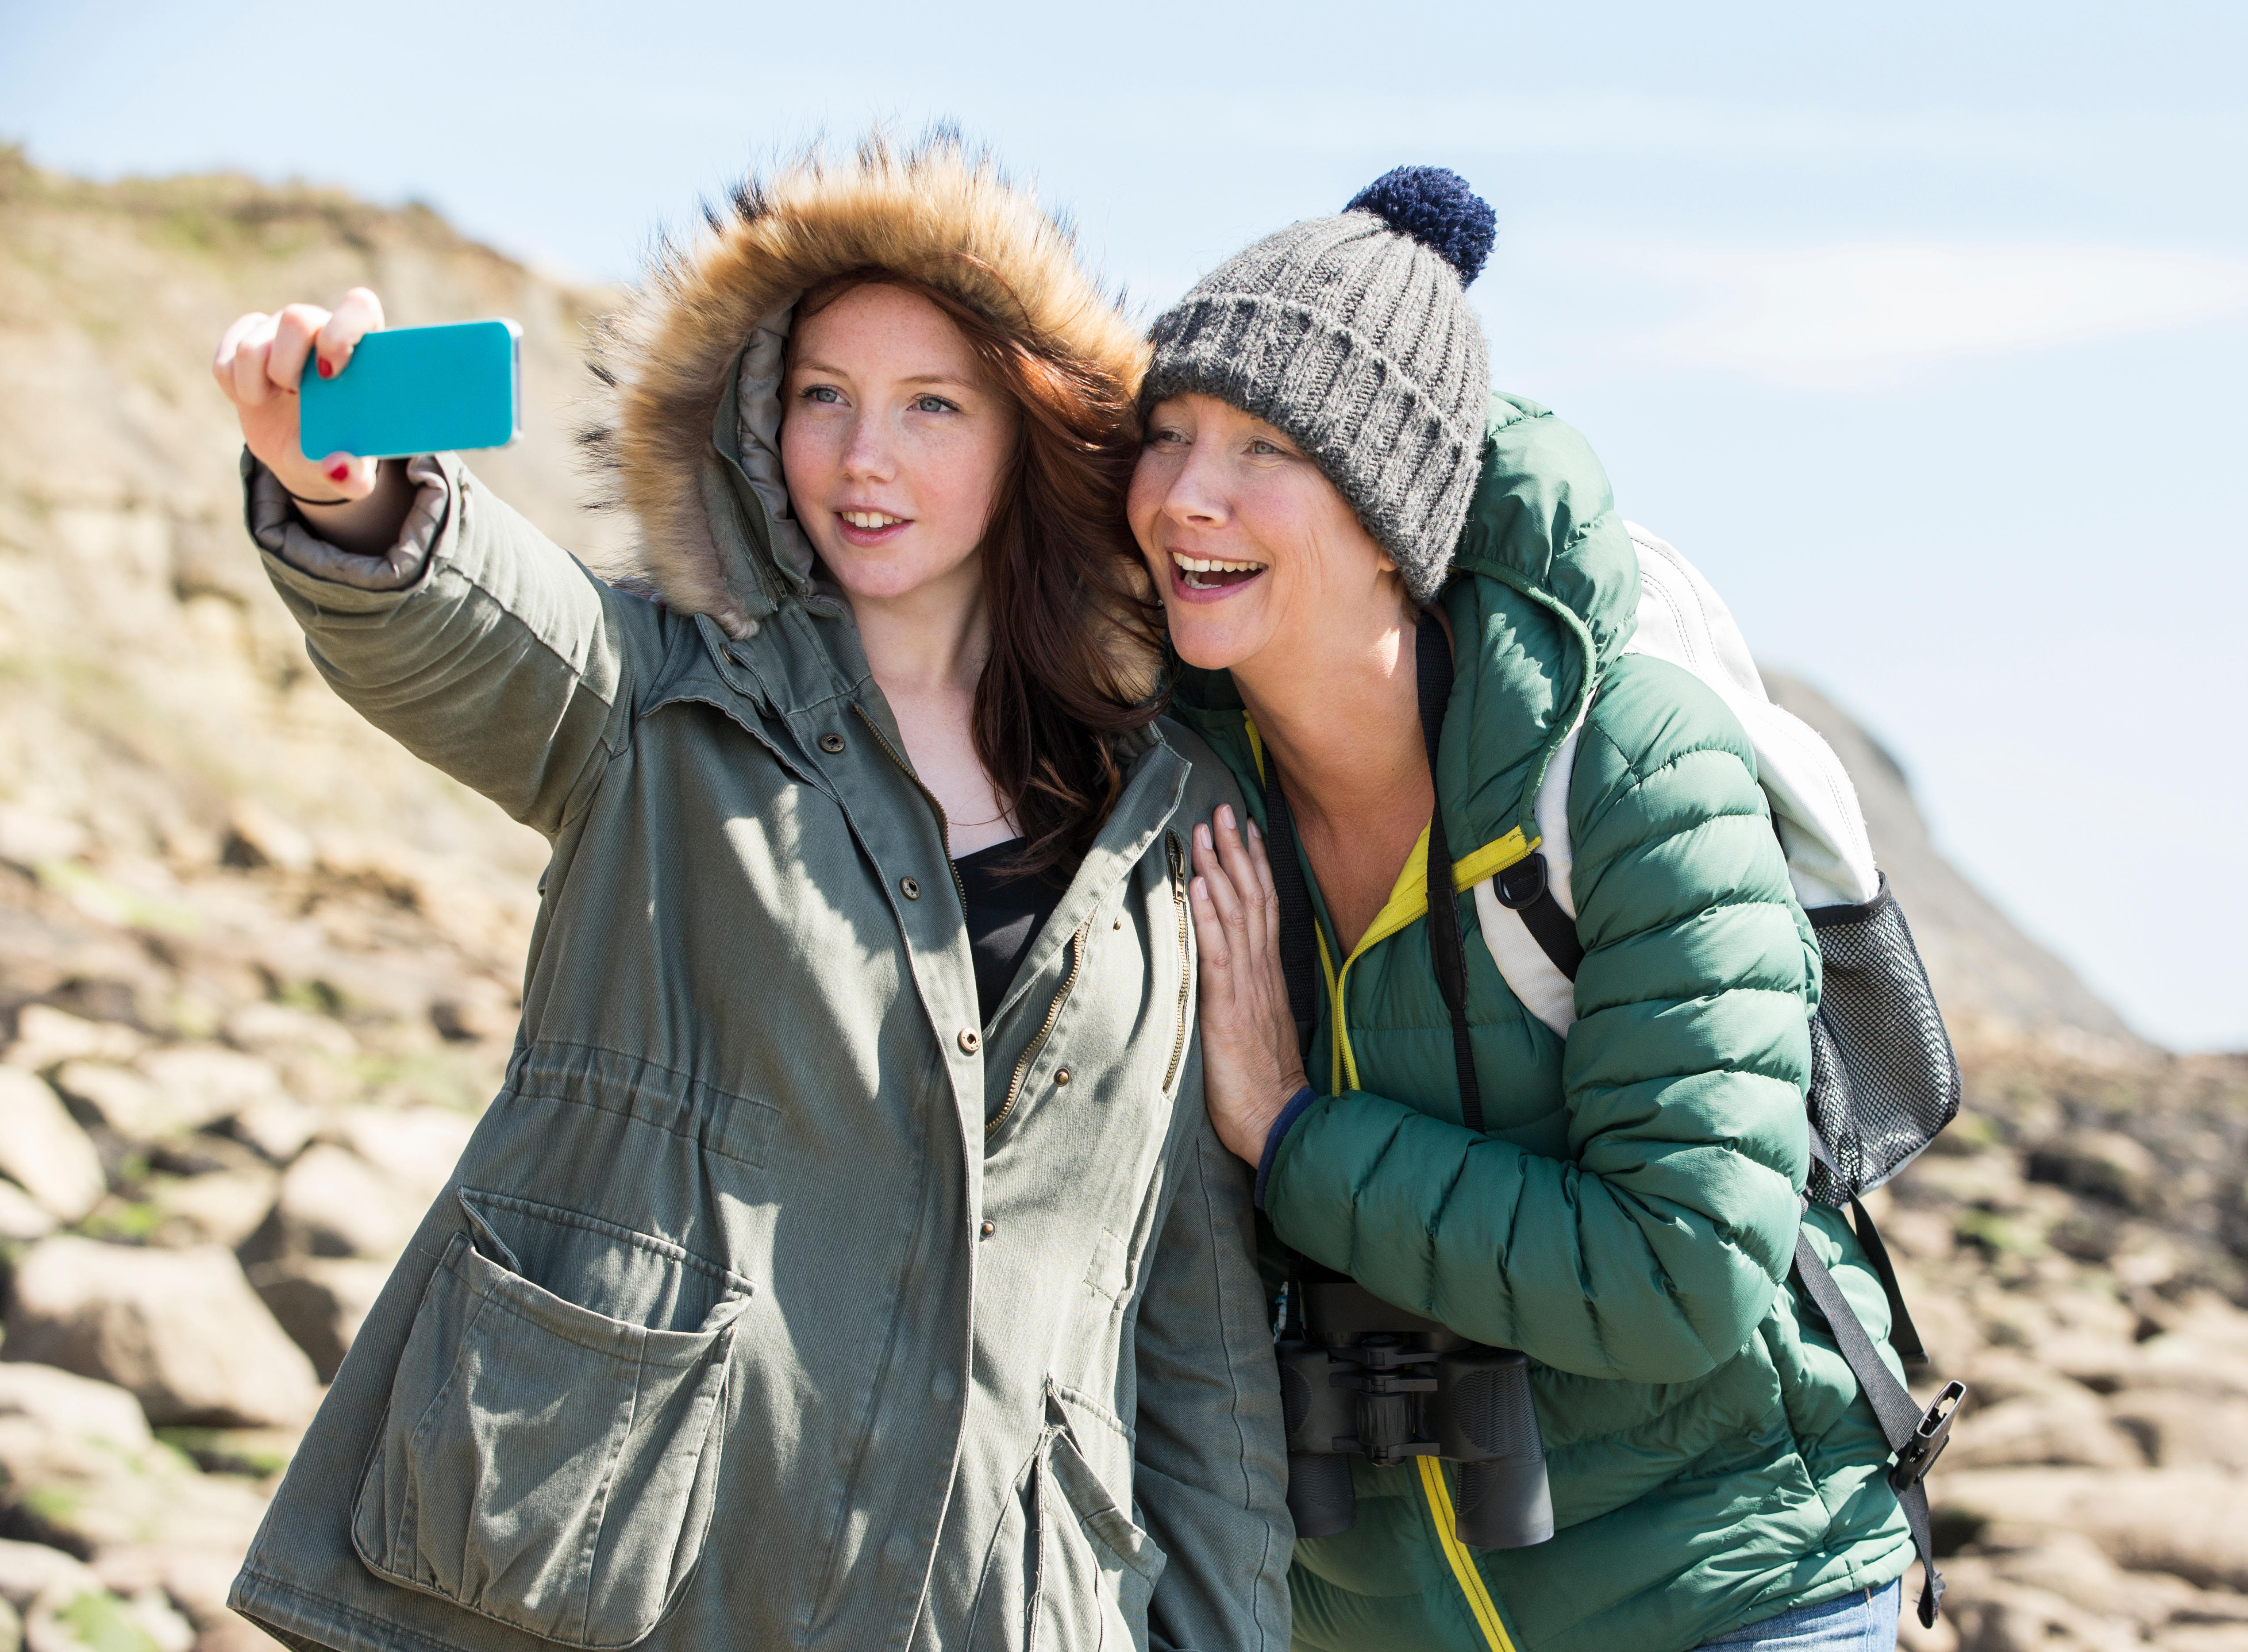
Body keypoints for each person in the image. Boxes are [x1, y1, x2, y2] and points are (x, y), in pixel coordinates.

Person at [208, 135, 1291, 1652]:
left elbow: (1188, 1321)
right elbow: (470, 622)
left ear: (1029, 434)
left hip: (990, 1604)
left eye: (932, 407)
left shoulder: (1170, 819)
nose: (864, 461)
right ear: (756, 423)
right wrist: (353, 496)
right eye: (821, 398)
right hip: (616, 1565)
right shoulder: (663, 697)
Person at [1139, 168, 1918, 1652]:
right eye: (1167, 435)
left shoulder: (1626, 768)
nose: (1185, 493)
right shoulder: (1175, 788)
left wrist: (1297, 1132)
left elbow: (1683, 1273)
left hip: (1732, 1589)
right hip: (1370, 1621)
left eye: (1263, 446)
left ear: (1391, 514)